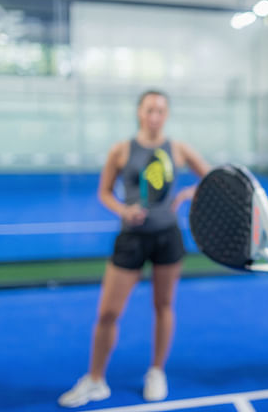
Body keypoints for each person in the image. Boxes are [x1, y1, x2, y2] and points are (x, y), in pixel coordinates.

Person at [58, 90, 211, 407]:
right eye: (149, 109)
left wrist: (188, 194)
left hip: (168, 237)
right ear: (139, 112)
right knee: (108, 313)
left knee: (164, 306)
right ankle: (96, 380)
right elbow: (104, 193)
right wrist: (122, 210)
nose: (154, 115)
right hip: (131, 239)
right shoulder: (121, 151)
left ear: (166, 114)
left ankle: (156, 371)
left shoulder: (179, 149)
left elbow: (213, 178)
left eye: (160, 110)